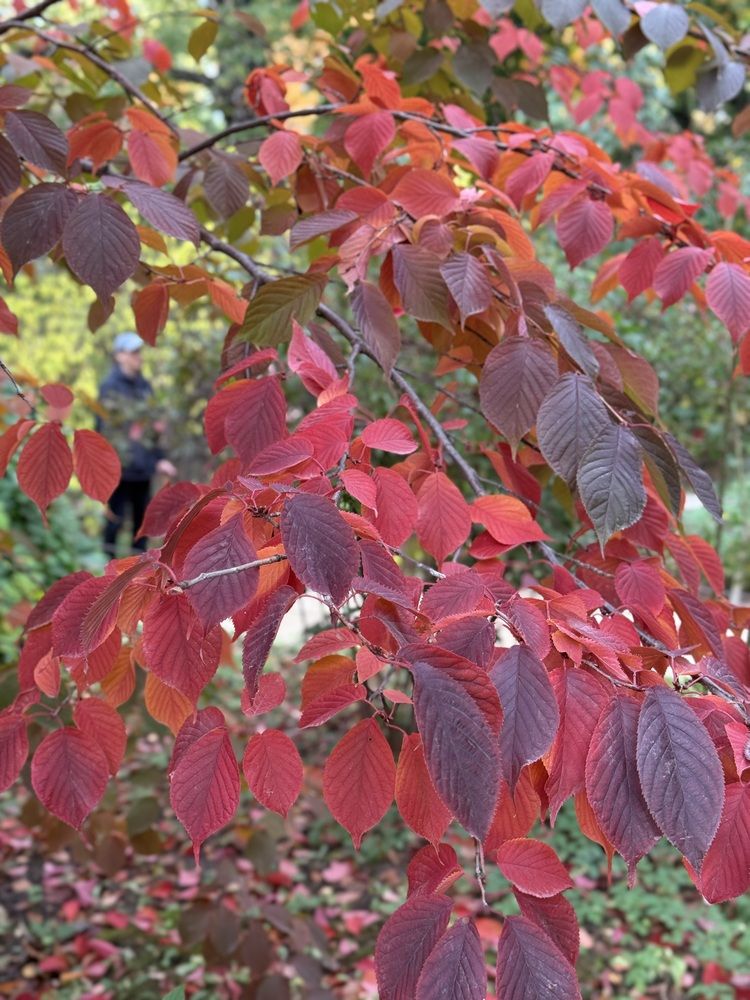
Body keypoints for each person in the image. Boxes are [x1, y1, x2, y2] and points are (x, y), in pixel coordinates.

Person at [97, 332, 177, 556]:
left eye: (139, 352)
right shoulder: (109, 387)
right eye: (133, 353)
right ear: (119, 356)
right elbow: (105, 429)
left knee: (142, 527)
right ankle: (106, 570)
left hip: (143, 470)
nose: (138, 357)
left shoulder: (145, 387)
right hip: (118, 472)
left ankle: (137, 577)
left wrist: (159, 458)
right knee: (114, 522)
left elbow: (154, 428)